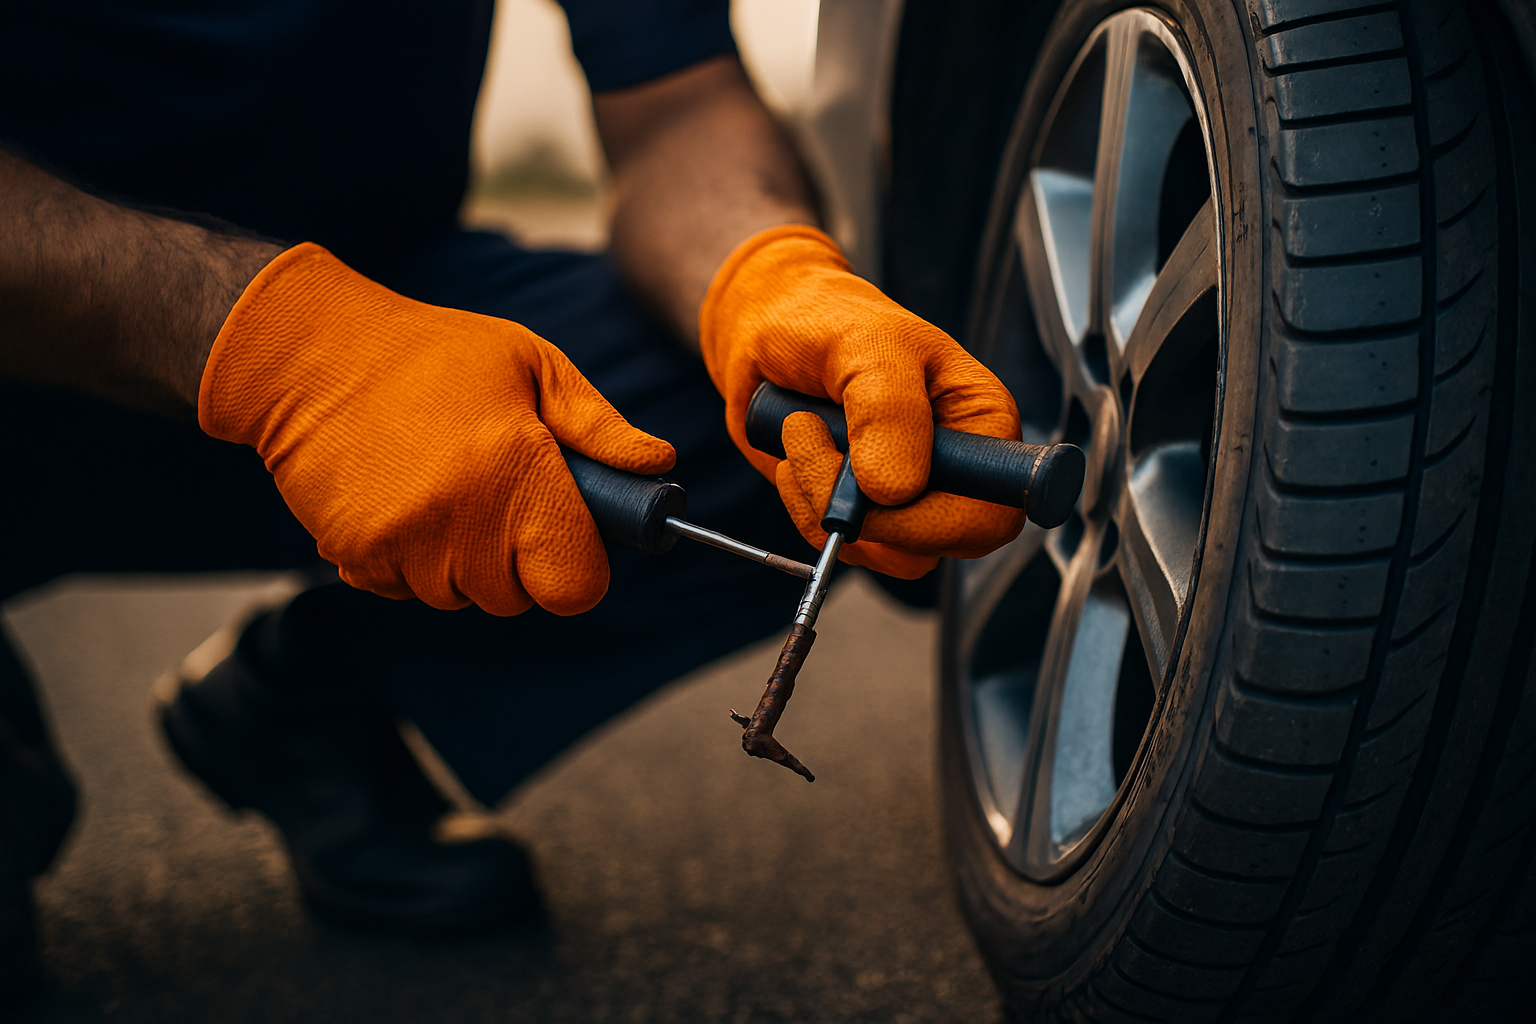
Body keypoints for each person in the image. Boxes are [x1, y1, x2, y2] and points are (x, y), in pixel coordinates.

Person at [0, 0, 1025, 997]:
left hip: (392, 342)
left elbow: (676, 108)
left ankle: (315, 693)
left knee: (764, 420)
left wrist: (769, 272)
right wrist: (269, 344)